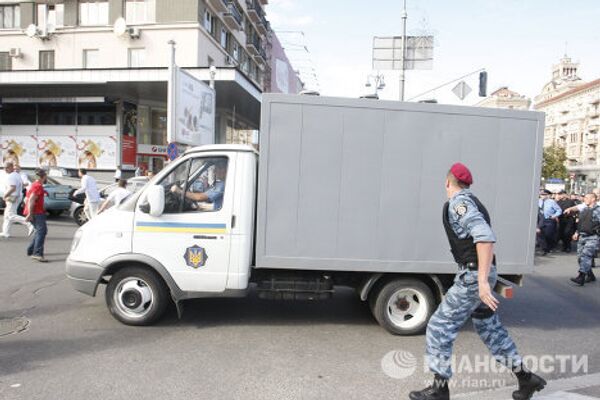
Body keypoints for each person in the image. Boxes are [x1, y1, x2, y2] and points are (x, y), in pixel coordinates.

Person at [409, 163, 545, 400]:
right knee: (489, 329)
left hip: (473, 276)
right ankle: (526, 379)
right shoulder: (473, 201)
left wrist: (482, 282)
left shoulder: (459, 203)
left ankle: (439, 389)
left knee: (439, 326)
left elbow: (484, 237)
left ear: (447, 182)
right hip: (480, 272)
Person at [564, 193, 600, 285]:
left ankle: (581, 277)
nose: (585, 199)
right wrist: (576, 232)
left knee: (586, 256)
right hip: (582, 236)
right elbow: (581, 223)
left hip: (593, 237)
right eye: (585, 198)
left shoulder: (598, 210)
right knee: (580, 258)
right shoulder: (584, 209)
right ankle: (590, 275)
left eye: (587, 198)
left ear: (593, 199)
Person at [1, 161, 35, 238]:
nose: (5, 169)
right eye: (4, 167)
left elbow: (13, 188)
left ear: (11, 167)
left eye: (7, 167)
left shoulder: (11, 176)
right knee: (7, 215)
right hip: (17, 196)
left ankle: (29, 224)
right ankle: (5, 232)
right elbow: (22, 185)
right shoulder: (17, 175)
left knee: (10, 215)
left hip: (12, 197)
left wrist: (5, 195)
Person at [24, 169, 49, 262]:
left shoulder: (36, 185)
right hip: (36, 212)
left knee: (41, 231)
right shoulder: (38, 186)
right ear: (43, 177)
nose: (46, 177)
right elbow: (31, 199)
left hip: (36, 211)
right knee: (41, 232)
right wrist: (30, 213)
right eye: (46, 176)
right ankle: (37, 253)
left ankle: (31, 250)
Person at [538, 189, 562, 255]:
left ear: (547, 195)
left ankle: (549, 247)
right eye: (541, 195)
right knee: (540, 234)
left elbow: (559, 210)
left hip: (549, 220)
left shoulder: (552, 202)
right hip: (541, 220)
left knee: (548, 235)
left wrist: (554, 216)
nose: (542, 196)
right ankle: (544, 249)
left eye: (544, 195)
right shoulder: (538, 201)